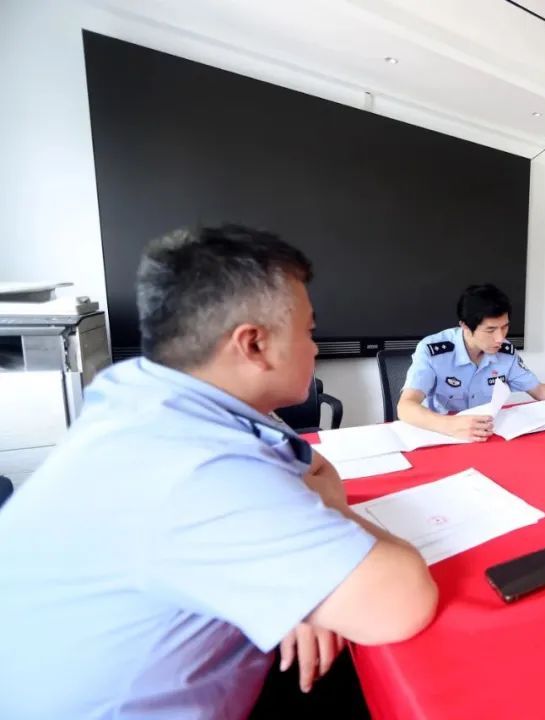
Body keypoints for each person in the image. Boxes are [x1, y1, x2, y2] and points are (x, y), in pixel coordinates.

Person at [0, 225, 438, 720]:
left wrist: (303, 576)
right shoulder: (192, 467)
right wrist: (315, 565)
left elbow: (316, 468)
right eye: (308, 332)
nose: (315, 348)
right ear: (253, 344)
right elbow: (401, 603)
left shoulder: (144, 393)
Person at [398, 283, 545, 440]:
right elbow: (405, 407)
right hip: (443, 434)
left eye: (505, 327)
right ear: (465, 326)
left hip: (485, 433)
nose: (500, 338)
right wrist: (450, 425)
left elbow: (538, 390)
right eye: (490, 330)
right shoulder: (434, 351)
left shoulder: (505, 352)